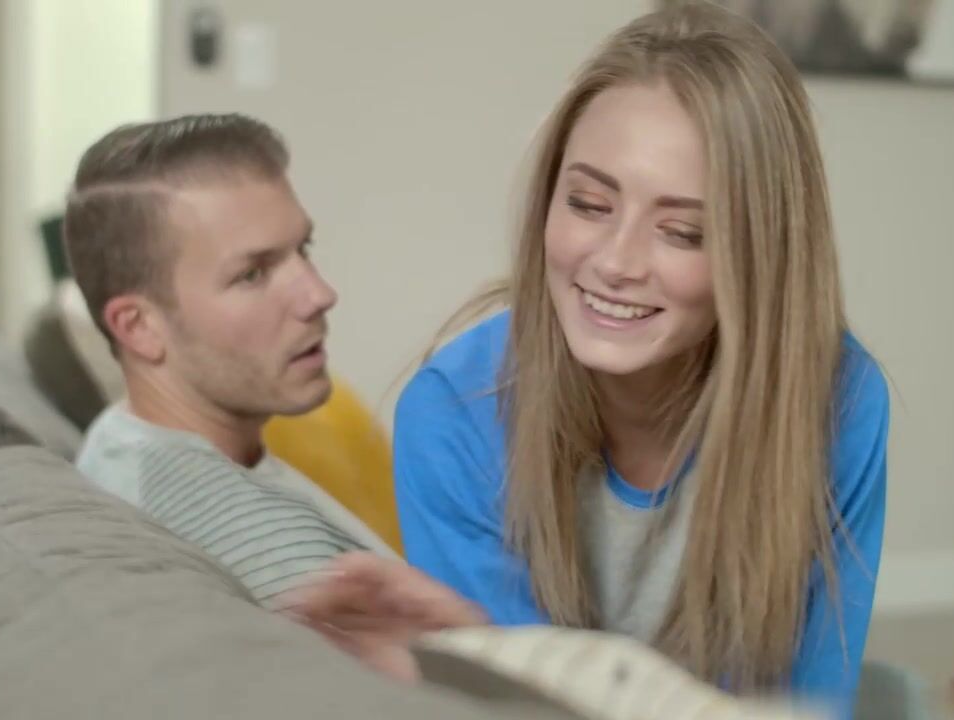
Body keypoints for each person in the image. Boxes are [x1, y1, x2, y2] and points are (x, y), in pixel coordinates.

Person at [391, 2, 889, 717]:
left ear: (763, 255)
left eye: (681, 231)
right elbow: (514, 706)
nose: (616, 262)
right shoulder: (452, 412)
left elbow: (808, 701)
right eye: (589, 204)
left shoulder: (838, 400)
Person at [64, 114, 406, 609]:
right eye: (252, 274)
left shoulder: (120, 438)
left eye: (303, 249)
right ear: (138, 328)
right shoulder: (265, 554)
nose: (319, 294)